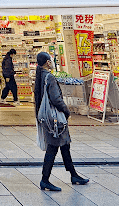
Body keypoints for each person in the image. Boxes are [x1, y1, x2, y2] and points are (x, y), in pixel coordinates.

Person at [34, 52, 88, 191]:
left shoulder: (40, 76)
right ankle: (45, 179)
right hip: (55, 119)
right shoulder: (49, 77)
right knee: (53, 148)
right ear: (47, 62)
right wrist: (66, 111)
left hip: (46, 118)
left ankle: (73, 174)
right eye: (51, 60)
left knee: (65, 146)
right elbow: (56, 99)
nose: (52, 62)